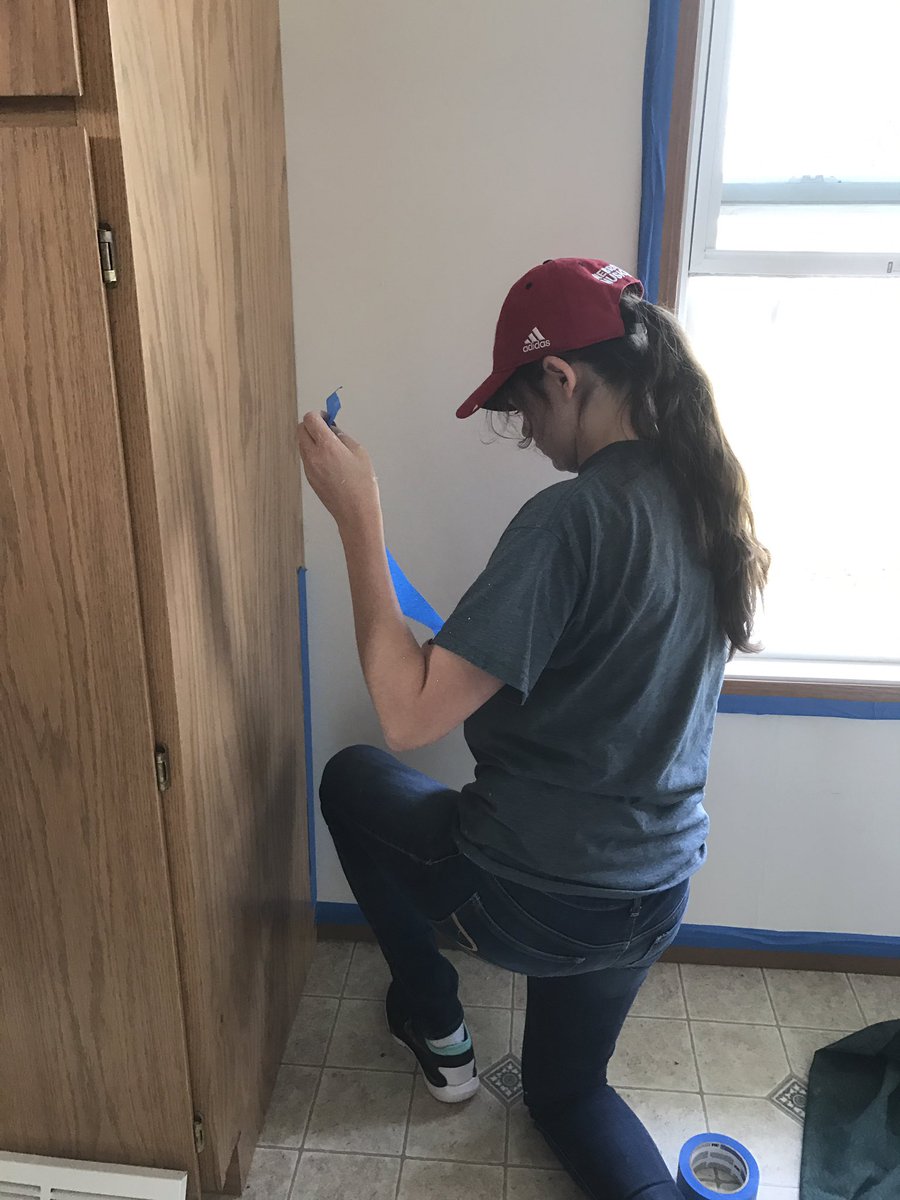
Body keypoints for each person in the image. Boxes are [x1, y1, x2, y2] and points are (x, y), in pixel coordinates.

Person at [297, 257, 770, 1200]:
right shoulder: (709, 504)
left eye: (524, 412)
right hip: (654, 896)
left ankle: (437, 1030)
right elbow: (603, 674)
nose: (530, 438)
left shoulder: (572, 518)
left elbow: (405, 716)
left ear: (564, 376)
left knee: (352, 777)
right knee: (568, 1094)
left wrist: (359, 515)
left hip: (540, 899)